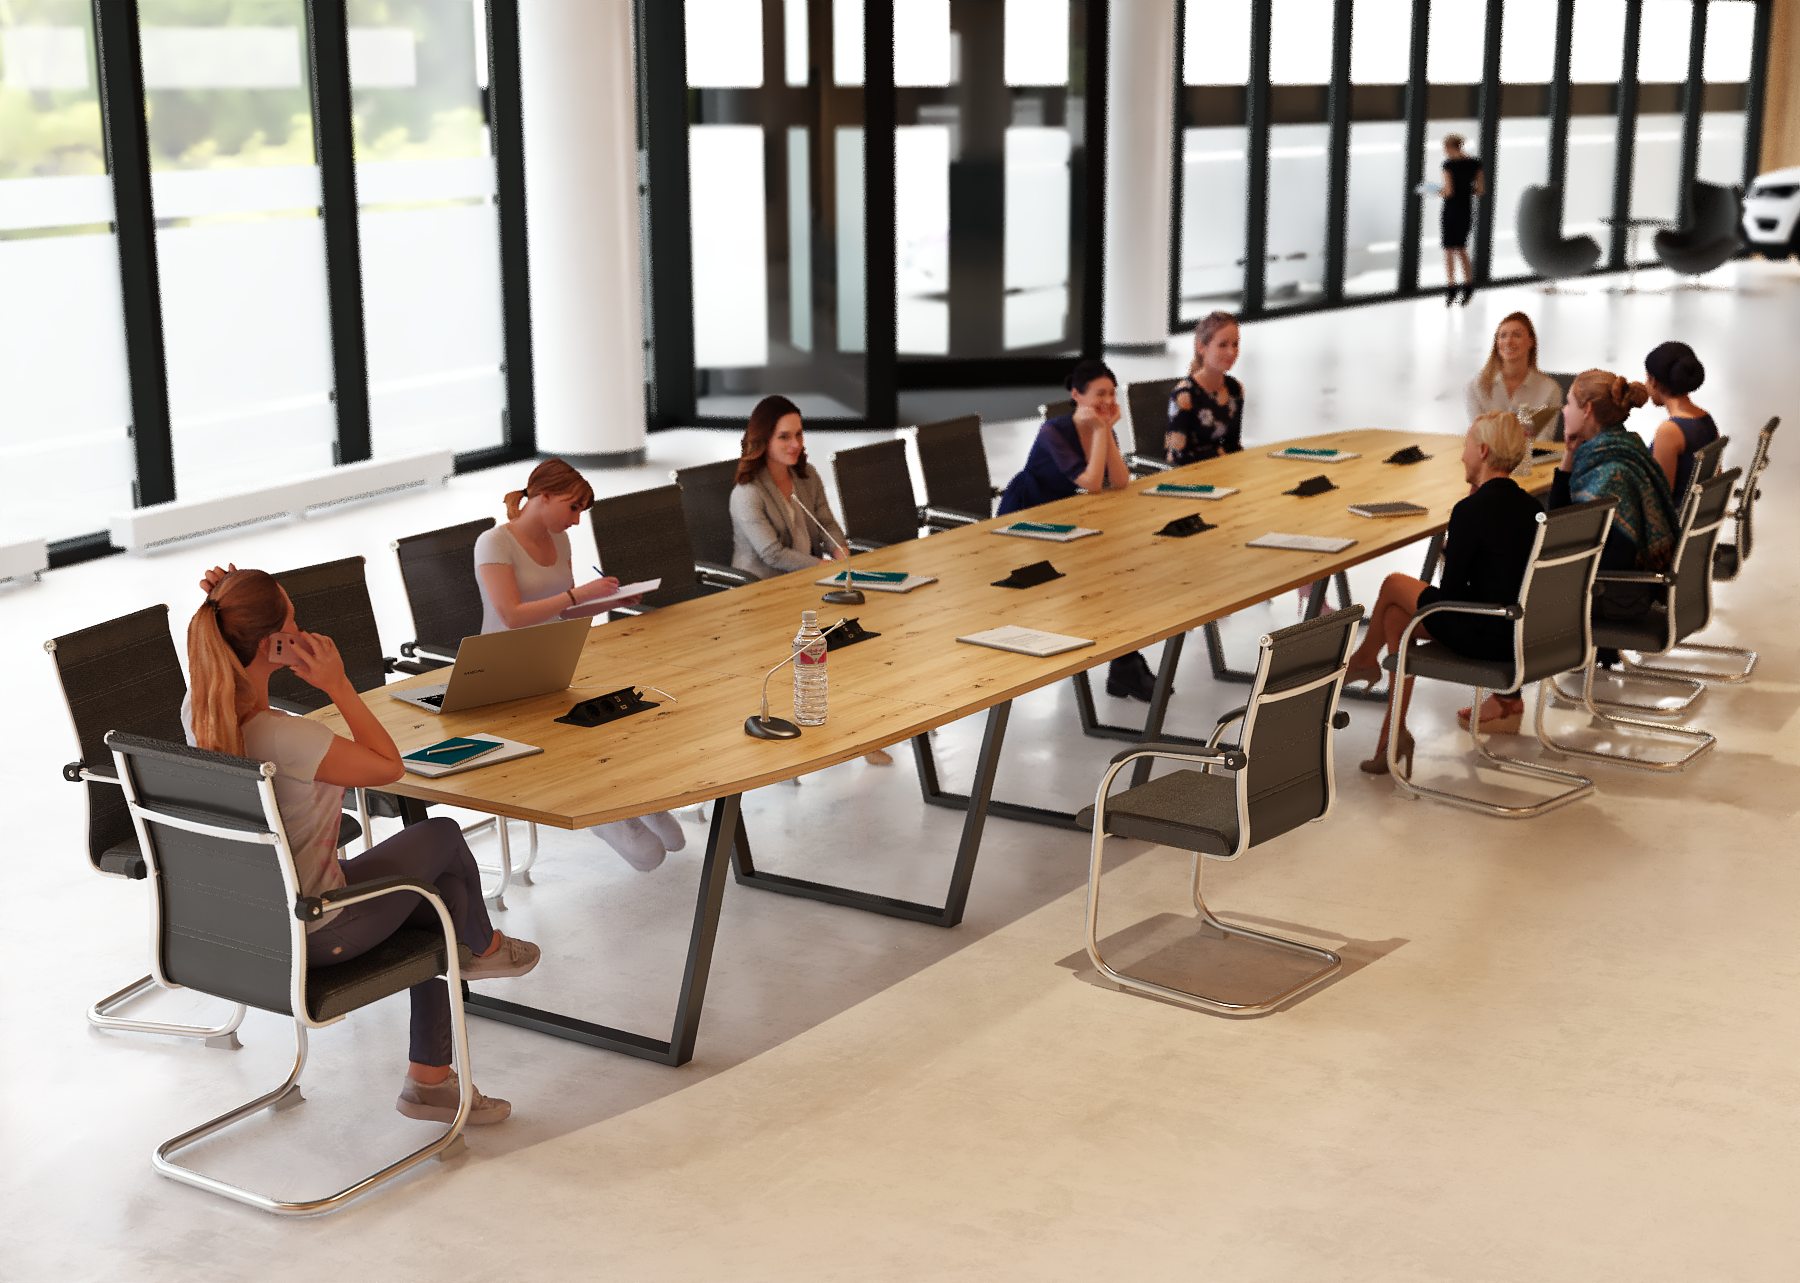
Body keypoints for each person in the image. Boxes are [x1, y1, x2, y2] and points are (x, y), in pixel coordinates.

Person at [187, 566, 537, 1126]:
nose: (302, 628)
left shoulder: (201, 714)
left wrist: (231, 603)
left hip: (256, 926)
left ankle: (430, 1082)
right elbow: (388, 767)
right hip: (321, 927)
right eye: (293, 620)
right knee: (442, 836)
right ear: (272, 642)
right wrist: (337, 684)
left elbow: (221, 648)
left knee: (442, 895)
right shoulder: (288, 738)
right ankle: (486, 946)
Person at [474, 458, 690, 867]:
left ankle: (634, 798)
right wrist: (580, 594)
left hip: (550, 662)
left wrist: (608, 600)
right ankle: (608, 814)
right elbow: (512, 616)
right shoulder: (493, 542)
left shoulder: (560, 541)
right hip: (502, 674)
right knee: (579, 730)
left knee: (617, 714)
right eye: (572, 507)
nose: (576, 520)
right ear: (544, 496)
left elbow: (563, 612)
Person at [1342, 412, 1541, 769]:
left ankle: (1364, 660)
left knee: (1393, 584)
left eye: (1466, 446)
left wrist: (1453, 545)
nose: (1462, 455)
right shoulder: (1533, 508)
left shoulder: (1470, 511)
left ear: (1483, 451)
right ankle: (1391, 736)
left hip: (1485, 634)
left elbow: (1451, 595)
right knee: (1394, 617)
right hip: (1517, 632)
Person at [728, 396, 893, 765]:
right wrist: (821, 567)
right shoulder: (747, 493)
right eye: (784, 436)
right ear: (763, 441)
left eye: (799, 434)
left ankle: (864, 731)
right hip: (763, 596)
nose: (795, 444)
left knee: (862, 638)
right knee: (829, 649)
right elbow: (771, 554)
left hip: (807, 586)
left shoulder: (806, 476)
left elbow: (827, 522)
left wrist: (839, 550)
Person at [998, 360, 1153, 702]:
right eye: (1100, 394)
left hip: (1067, 522)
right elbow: (1092, 483)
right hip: (1028, 520)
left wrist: (1105, 430)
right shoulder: (1052, 431)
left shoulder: (1102, 427)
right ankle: (1124, 662)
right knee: (1102, 575)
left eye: (1112, 394)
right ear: (1076, 395)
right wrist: (1101, 431)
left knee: (1117, 571)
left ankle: (1124, 660)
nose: (1108, 401)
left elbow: (1120, 480)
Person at [1548, 369, 1678, 664]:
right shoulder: (1623, 447)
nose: (1564, 411)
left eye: (1569, 403)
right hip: (1632, 589)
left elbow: (1558, 531)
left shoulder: (1607, 477)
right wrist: (1569, 455)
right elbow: (1561, 518)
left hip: (1619, 598)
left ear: (1587, 410)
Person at [1166, 311, 1244, 467]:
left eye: (1235, 344)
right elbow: (1176, 457)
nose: (1232, 352)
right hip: (1192, 476)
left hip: (1224, 471)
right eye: (1223, 345)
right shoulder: (1185, 395)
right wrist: (1220, 455)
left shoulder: (1235, 389)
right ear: (1201, 347)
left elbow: (1233, 445)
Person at [1643, 340, 1717, 502]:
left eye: (1646, 379)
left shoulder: (1669, 430)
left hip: (1675, 516)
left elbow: (1661, 498)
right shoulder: (1706, 418)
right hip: (1698, 513)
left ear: (1653, 381)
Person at [1464, 312, 1564, 431]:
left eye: (1517, 335)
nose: (1508, 341)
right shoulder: (1476, 386)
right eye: (1503, 336)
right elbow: (1479, 435)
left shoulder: (1550, 390)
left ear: (1531, 342)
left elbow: (1543, 439)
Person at [1440, 134, 1485, 306]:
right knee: (1462, 249)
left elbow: (1448, 192)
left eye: (1445, 148)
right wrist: (1465, 191)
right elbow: (1480, 190)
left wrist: (1437, 192)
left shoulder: (1448, 165)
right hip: (1466, 210)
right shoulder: (1475, 164)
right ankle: (1468, 287)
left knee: (1449, 250)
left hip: (1451, 210)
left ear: (1451, 147)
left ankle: (1451, 288)